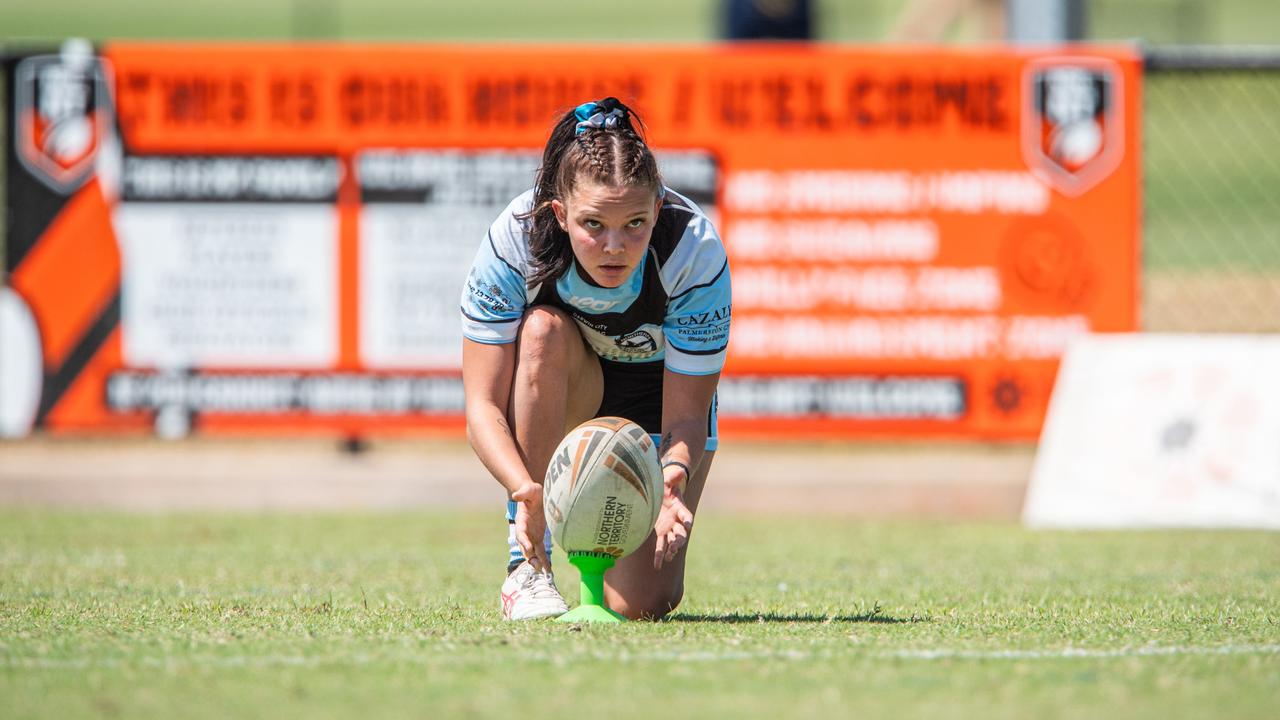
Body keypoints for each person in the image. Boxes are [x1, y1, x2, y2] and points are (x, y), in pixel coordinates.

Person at [460, 97, 731, 621]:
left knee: (639, 605)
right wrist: (524, 492)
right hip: (571, 379)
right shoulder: (516, 238)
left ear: (657, 210)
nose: (615, 246)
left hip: (657, 391)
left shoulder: (693, 251)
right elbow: (483, 407)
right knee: (541, 332)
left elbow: (687, 415)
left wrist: (674, 472)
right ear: (560, 214)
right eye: (593, 225)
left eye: (634, 223)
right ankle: (528, 570)